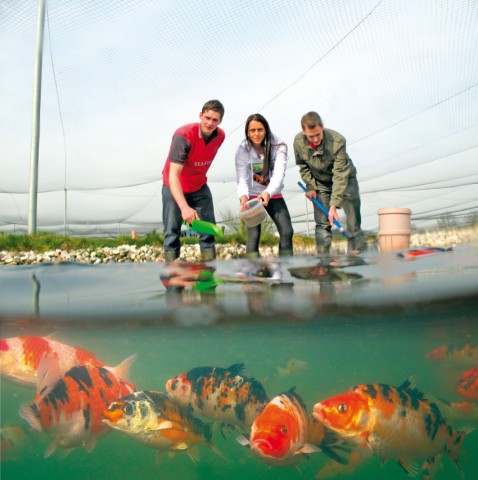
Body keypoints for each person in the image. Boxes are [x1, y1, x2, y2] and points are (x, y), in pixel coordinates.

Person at [162, 100, 225, 262]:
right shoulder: (183, 136)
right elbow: (173, 175)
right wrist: (184, 207)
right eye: (207, 118)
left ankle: (208, 278)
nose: (210, 123)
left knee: (208, 231)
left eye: (215, 120)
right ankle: (173, 278)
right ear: (201, 115)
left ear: (220, 121)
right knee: (172, 232)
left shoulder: (220, 136)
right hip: (174, 186)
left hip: (199, 186)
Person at [293, 111, 364, 254]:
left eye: (318, 134)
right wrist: (310, 186)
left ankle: (355, 259)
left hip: (345, 179)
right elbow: (303, 166)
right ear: (304, 132)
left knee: (352, 220)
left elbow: (340, 175)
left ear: (322, 128)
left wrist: (333, 205)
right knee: (322, 223)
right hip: (320, 182)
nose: (315, 139)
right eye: (310, 136)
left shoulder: (338, 141)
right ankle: (323, 260)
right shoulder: (298, 142)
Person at [235, 113, 294, 257]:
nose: (256, 134)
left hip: (273, 194)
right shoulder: (243, 149)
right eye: (252, 130)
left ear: (266, 129)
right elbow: (242, 178)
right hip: (252, 196)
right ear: (247, 132)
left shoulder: (279, 145)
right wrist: (243, 198)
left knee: (287, 231)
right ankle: (252, 274)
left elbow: (279, 174)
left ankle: (285, 271)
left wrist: (268, 193)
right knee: (254, 233)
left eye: (260, 130)